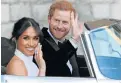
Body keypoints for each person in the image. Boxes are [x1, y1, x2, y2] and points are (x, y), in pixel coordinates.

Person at [40, 0, 82, 76]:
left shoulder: (67, 44)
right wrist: (74, 39)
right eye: (56, 20)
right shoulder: (39, 40)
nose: (59, 26)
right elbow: (53, 67)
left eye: (65, 22)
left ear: (71, 24)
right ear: (49, 19)